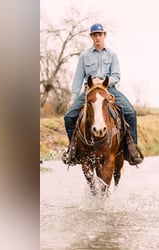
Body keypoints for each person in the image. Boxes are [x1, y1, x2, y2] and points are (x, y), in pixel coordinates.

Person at [63, 23, 143, 166]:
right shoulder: (84, 56)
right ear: (91, 37)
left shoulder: (112, 55)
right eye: (95, 35)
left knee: (131, 112)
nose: (97, 37)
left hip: (108, 90)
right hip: (90, 91)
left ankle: (132, 149)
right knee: (69, 117)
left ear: (104, 35)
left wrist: (103, 81)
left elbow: (117, 76)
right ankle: (73, 151)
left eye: (100, 34)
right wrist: (73, 97)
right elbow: (77, 79)